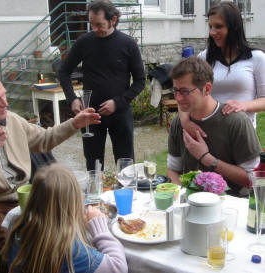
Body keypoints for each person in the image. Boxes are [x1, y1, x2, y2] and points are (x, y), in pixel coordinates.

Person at [0, 73, 100, 256]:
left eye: (4, 95)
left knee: (63, 223)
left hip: (23, 196)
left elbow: (44, 139)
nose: (5, 103)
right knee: (14, 245)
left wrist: (74, 124)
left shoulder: (11, 119)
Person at [58, 0, 145, 170]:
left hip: (120, 113)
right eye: (92, 24)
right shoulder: (84, 42)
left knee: (126, 165)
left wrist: (118, 102)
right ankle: (95, 196)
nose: (95, 29)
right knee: (93, 166)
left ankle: (126, 196)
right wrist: (72, 99)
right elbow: (63, 71)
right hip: (90, 115)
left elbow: (140, 81)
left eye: (99, 24)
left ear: (113, 20)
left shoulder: (128, 44)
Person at [1, 163, 128, 273]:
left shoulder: (17, 227)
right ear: (74, 203)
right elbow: (118, 267)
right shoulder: (73, 250)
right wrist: (100, 228)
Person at [167, 57, 262, 197]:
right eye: (175, 90)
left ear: (207, 89)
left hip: (233, 207)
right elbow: (173, 170)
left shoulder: (236, 122)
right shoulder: (179, 123)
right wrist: (182, 197)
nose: (178, 98)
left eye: (185, 91)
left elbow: (254, 179)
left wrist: (206, 158)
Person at [180, 1, 265, 136]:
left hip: (242, 135)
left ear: (234, 27)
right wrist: (186, 123)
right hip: (209, 134)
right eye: (210, 26)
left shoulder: (257, 58)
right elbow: (184, 93)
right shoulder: (204, 58)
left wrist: (244, 105)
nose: (213, 32)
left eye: (219, 27)